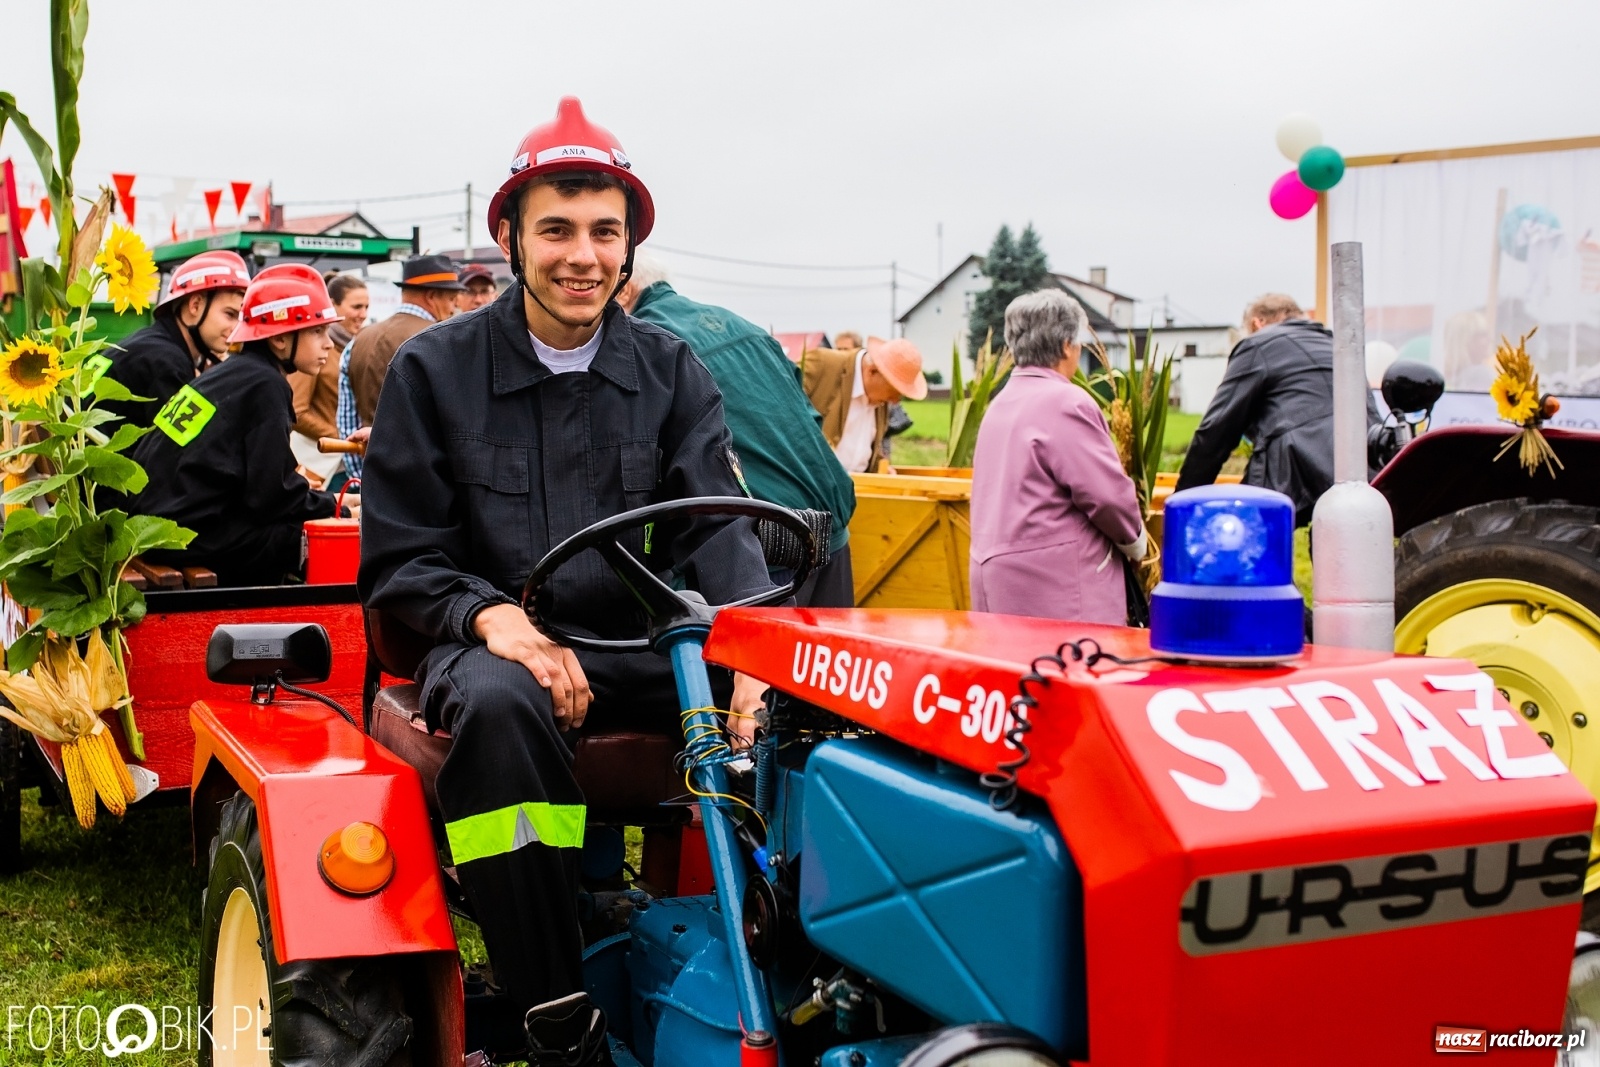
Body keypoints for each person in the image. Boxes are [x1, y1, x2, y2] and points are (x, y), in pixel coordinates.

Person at [359, 96, 774, 1065]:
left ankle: (774, 972)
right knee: (506, 704)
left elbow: (718, 527)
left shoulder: (671, 372)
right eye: (556, 229)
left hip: (636, 653)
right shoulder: (433, 370)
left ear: (629, 246)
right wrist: (489, 614)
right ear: (510, 236)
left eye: (603, 231)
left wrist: (758, 656)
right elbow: (401, 560)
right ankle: (554, 1008)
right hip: (485, 657)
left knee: (813, 710)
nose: (582, 255)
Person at [619, 252, 858, 606]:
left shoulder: (646, 343)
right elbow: (810, 418)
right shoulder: (744, 327)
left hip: (757, 553)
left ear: (625, 289)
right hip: (830, 532)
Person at [127, 264, 342, 586]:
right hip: (181, 536)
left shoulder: (233, 373)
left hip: (154, 525)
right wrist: (338, 506)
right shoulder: (266, 384)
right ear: (280, 338)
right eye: (317, 331)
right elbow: (270, 498)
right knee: (299, 539)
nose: (329, 344)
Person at [969, 290, 1146, 624]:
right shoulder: (1067, 402)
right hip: (1056, 582)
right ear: (1066, 345)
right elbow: (1107, 497)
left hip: (994, 573)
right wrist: (1136, 543)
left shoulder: (998, 405)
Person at [1176, 293, 1381, 526]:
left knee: (1246, 533)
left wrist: (1183, 500)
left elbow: (1216, 431)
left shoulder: (1257, 344)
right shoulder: (1337, 345)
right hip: (1365, 462)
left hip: (1298, 463)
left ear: (1257, 323)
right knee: (1338, 533)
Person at [102, 250, 249, 427]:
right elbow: (187, 441)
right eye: (230, 314)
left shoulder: (153, 346)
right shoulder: (166, 362)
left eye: (241, 318)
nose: (236, 329)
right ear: (195, 305)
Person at [346, 253, 464, 429]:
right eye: (451, 299)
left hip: (364, 443)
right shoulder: (441, 340)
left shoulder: (361, 337)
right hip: (415, 445)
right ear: (431, 296)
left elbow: (347, 414)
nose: (454, 307)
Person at [802, 335, 926, 473]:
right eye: (894, 391)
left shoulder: (879, 399)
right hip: (812, 482)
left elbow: (863, 449)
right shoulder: (820, 365)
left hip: (857, 484)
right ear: (872, 371)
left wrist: (879, 466)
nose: (896, 400)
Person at [289, 272, 368, 481]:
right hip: (320, 463)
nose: (363, 314)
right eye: (356, 307)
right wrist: (341, 437)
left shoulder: (353, 348)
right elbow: (297, 411)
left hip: (345, 461)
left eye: (366, 307)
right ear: (332, 305)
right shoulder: (312, 352)